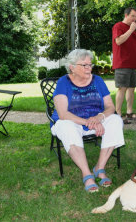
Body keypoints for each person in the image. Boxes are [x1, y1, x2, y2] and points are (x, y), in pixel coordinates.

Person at [51, 49, 125, 192]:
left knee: (115, 120)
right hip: (72, 121)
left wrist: (99, 118)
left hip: (96, 119)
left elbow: (110, 107)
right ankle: (87, 174)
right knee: (66, 127)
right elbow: (63, 114)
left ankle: (99, 167)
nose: (89, 68)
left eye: (90, 65)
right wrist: (88, 122)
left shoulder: (97, 80)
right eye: (84, 65)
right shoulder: (63, 82)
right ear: (72, 67)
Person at [112, 7, 136, 123]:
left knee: (131, 89)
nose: (134, 18)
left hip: (132, 63)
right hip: (122, 63)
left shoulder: (132, 29)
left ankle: (129, 113)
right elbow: (119, 41)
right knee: (122, 88)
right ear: (126, 15)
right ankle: (118, 115)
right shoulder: (118, 26)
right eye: (132, 16)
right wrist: (131, 30)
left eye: (135, 16)